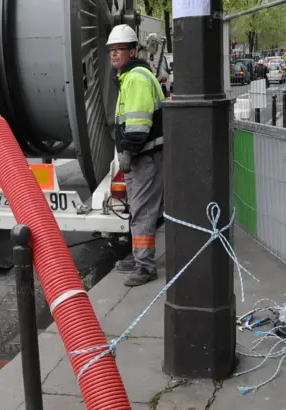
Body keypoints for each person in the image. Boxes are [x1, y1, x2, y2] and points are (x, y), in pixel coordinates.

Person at [108, 24, 165, 287]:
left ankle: (145, 266)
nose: (114, 54)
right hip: (140, 155)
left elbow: (139, 125)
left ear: (132, 51)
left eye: (119, 49)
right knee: (138, 209)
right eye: (111, 50)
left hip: (145, 156)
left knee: (142, 211)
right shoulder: (128, 78)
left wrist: (128, 150)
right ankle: (138, 256)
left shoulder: (137, 79)